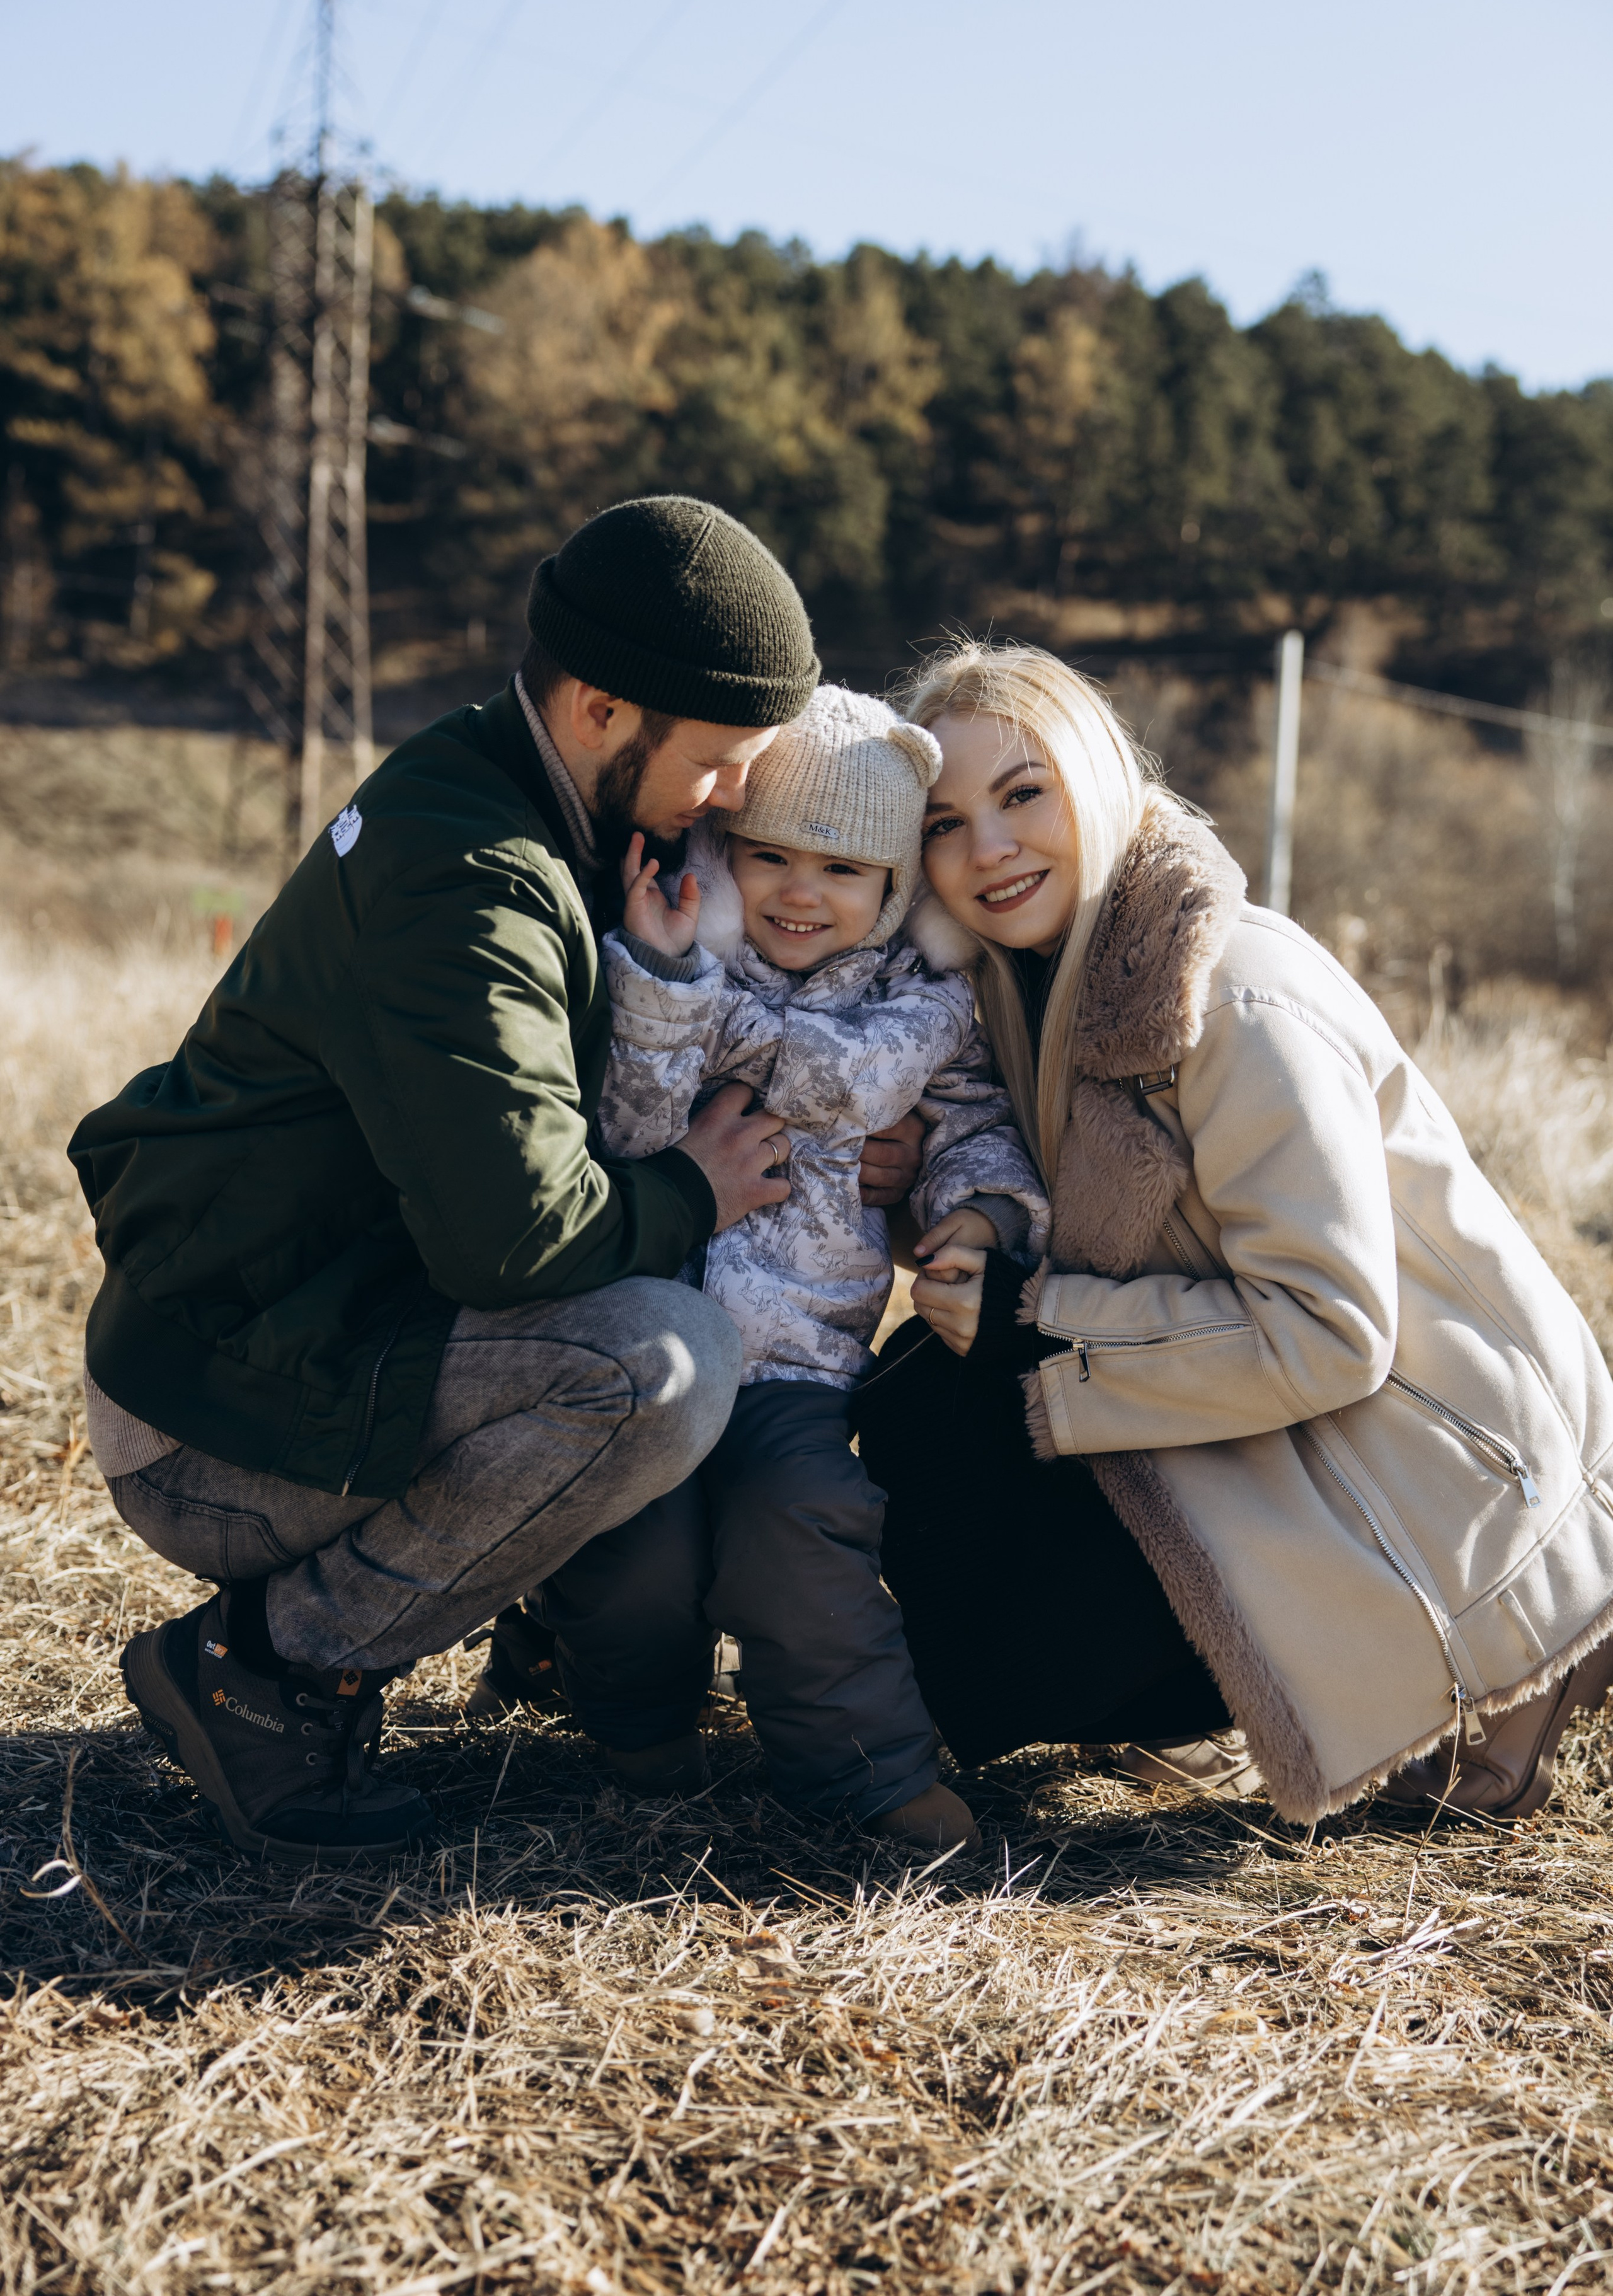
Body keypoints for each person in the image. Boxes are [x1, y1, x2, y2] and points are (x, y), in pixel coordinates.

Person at [68, 497, 924, 1864]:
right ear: (598, 709)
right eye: (715, 768)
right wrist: (698, 1189)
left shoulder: (545, 806)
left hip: (298, 1341)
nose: (729, 808)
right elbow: (518, 1244)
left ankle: (518, 1616)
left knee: (648, 1344)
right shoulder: (468, 877)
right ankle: (265, 1674)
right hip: (210, 1426)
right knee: (662, 1362)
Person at [856, 640, 1613, 1826]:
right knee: (915, 1410)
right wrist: (926, 1198)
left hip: (1429, 1457)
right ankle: (1167, 1696)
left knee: (1002, 1625)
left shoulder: (1231, 994)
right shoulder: (1035, 984)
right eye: (946, 825)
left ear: (1101, 783)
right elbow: (1078, 1216)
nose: (988, 849)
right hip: (1269, 1413)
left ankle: (1523, 1633)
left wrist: (1034, 1317)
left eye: (1022, 794)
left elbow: (1332, 1330)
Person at [519, 686, 1047, 1852]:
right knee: (638, 1547)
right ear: (723, 851)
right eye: (770, 856)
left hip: (799, 1356)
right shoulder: (666, 971)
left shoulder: (924, 1008)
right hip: (645, 1334)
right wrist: (663, 997)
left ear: (896, 889)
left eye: (845, 871)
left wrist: (986, 1217)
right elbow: (626, 1129)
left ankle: (865, 1770)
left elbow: (971, 1131)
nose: (803, 893)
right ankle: (636, 1720)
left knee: (798, 1523)